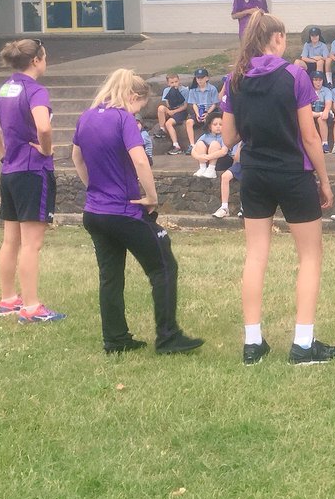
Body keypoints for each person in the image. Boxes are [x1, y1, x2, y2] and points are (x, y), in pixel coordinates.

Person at [220, 12, 335, 366]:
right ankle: (302, 344)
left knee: (256, 255)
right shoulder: (294, 75)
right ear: (275, 38)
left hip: (254, 174)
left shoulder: (235, 78)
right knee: (310, 256)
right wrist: (324, 180)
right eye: (284, 37)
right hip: (292, 173)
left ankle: (252, 343)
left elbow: (228, 137)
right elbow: (310, 136)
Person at [72, 69, 204, 355]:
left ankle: (115, 339)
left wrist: (93, 187)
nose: (138, 112)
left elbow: (76, 157)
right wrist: (151, 197)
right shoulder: (123, 119)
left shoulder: (87, 116)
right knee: (164, 266)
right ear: (132, 96)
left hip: (94, 212)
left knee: (110, 276)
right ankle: (168, 337)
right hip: (124, 211)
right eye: (139, 106)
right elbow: (141, 161)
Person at [0, 38, 63, 324]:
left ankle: (8, 299)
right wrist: (47, 150)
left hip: (10, 172)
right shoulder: (36, 91)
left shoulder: (5, 89)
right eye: (45, 56)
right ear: (36, 60)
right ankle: (31, 307)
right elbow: (44, 127)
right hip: (32, 172)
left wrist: (5, 156)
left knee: (10, 240)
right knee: (31, 244)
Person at [183, 68, 219, 155]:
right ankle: (192, 145)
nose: (200, 80)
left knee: (210, 121)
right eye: (198, 78)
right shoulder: (193, 90)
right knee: (189, 122)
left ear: (207, 78)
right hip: (198, 111)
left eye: (202, 78)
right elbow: (194, 104)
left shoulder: (212, 89)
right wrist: (197, 114)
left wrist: (208, 113)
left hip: (210, 111)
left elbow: (214, 104)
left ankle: (212, 143)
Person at [154, 72, 189, 151]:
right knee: (161, 108)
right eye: (172, 82)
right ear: (168, 83)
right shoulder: (166, 90)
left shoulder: (184, 90)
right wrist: (169, 110)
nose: (174, 84)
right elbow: (168, 105)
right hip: (171, 109)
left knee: (168, 123)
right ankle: (162, 129)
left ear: (179, 81)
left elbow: (185, 106)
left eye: (176, 82)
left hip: (180, 111)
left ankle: (176, 145)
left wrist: (175, 111)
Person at [191, 112, 228, 178]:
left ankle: (211, 169)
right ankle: (202, 168)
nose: (218, 126)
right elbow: (193, 150)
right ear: (209, 126)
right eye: (215, 124)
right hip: (206, 161)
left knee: (214, 144)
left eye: (221, 124)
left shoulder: (225, 136)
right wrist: (198, 157)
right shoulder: (205, 136)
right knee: (200, 144)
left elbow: (224, 151)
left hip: (220, 161)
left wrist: (207, 157)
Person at [212, 141, 243, 219]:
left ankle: (244, 207)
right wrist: (240, 146)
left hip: (253, 166)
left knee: (247, 178)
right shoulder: (242, 141)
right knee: (225, 176)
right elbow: (237, 158)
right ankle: (224, 208)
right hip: (240, 164)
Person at [309, 70, 335, 151]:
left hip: (324, 112)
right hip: (312, 112)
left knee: (321, 119)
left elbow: (328, 104)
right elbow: (307, 109)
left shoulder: (326, 90)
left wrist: (326, 111)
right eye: (315, 80)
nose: (318, 82)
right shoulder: (308, 90)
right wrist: (320, 113)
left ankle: (324, 143)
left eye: (320, 80)